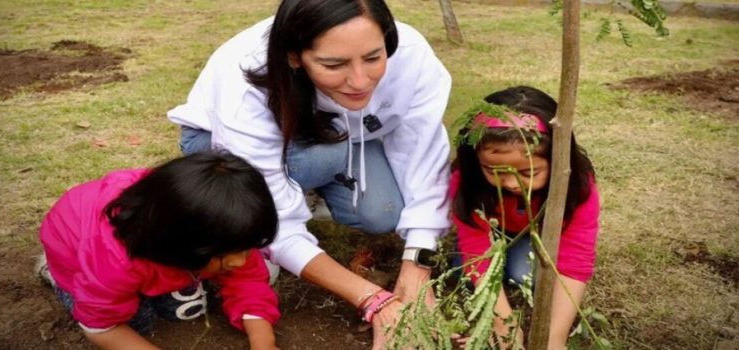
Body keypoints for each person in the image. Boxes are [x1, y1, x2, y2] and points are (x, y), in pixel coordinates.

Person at [167, 0, 452, 347]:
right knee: (312, 164)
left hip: (346, 138)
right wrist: (374, 299)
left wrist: (418, 264)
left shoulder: (412, 58)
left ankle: (308, 190)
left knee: (382, 213)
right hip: (221, 146)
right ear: (293, 56)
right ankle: (287, 198)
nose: (360, 80)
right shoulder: (245, 80)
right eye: (334, 64)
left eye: (374, 58)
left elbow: (423, 156)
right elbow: (280, 225)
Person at [37, 152, 281, 350]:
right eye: (227, 253)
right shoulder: (114, 258)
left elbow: (248, 281)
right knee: (138, 322)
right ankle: (53, 273)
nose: (240, 261)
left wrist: (263, 342)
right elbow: (101, 326)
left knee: (181, 310)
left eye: (246, 249)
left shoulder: (218, 226)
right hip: (76, 257)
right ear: (180, 245)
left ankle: (163, 281)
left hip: (152, 258)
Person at [450, 86, 599, 349]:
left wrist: (554, 340)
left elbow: (575, 260)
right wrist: (504, 326)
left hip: (536, 235)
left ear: (557, 159)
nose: (511, 183)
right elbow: (477, 251)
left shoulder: (577, 187)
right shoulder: (468, 182)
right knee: (465, 267)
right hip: (493, 234)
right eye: (494, 171)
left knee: (523, 272)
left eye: (529, 172)